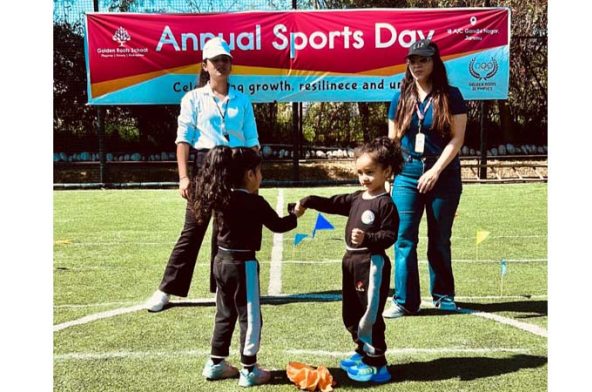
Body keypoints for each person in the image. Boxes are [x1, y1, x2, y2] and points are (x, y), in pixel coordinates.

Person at [145, 37, 260, 312]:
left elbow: (253, 140)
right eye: (216, 60)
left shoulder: (242, 100)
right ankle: (166, 289)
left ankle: (223, 288)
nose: (222, 64)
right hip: (205, 165)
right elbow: (182, 140)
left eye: (226, 59)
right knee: (193, 229)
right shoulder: (192, 98)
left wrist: (254, 176)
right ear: (204, 65)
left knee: (227, 232)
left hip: (237, 165)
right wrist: (184, 177)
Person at [294, 137, 402, 384]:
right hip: (351, 262)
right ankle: (362, 351)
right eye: (360, 173)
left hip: (371, 265)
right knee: (351, 311)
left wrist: (368, 237)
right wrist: (310, 200)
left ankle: (378, 364)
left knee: (369, 313)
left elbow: (389, 236)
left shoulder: (386, 204)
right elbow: (333, 203)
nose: (364, 178)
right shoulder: (357, 197)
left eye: (370, 172)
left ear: (386, 172)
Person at [194, 146, 300, 387]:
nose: (261, 177)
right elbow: (279, 226)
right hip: (244, 265)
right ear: (250, 174)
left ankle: (215, 363)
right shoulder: (255, 202)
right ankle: (249, 369)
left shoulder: (220, 196)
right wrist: (295, 215)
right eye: (259, 172)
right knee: (250, 317)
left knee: (224, 313)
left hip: (220, 262)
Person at [382, 39, 468, 318]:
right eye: (412, 60)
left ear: (434, 62)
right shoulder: (400, 98)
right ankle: (404, 301)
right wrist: (387, 174)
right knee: (404, 237)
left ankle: (443, 296)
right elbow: (392, 140)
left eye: (423, 60)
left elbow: (457, 139)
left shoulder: (451, 95)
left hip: (443, 175)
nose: (417, 65)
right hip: (406, 174)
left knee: (440, 238)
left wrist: (434, 171)